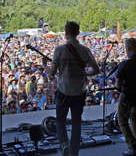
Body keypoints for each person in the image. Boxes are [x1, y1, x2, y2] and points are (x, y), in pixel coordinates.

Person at [43, 21, 100, 156]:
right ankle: (74, 151)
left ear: (65, 33)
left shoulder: (59, 50)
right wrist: (86, 73)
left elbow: (51, 72)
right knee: (76, 122)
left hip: (63, 91)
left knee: (61, 120)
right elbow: (96, 69)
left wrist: (44, 65)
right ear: (78, 33)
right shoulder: (85, 50)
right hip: (79, 91)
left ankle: (64, 145)